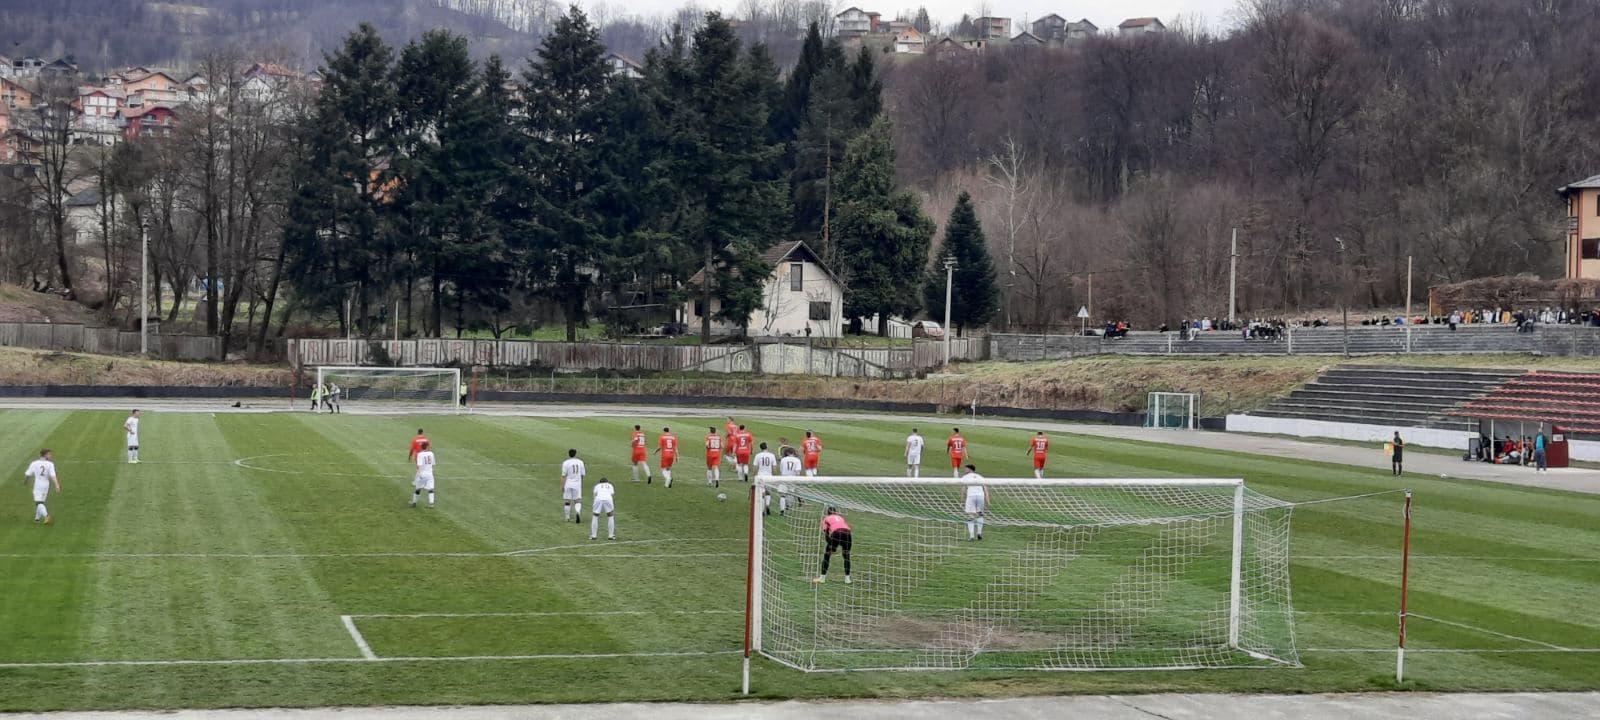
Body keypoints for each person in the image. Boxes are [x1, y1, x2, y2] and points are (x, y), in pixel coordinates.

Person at [813, 506, 852, 584]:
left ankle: (822, 578)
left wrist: (830, 545)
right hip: (847, 533)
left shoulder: (826, 519)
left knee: (827, 555)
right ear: (836, 512)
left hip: (837, 533)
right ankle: (847, 579)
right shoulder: (840, 517)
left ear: (827, 513)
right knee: (846, 555)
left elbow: (826, 533)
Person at [25, 448, 60, 524]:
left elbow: (28, 474)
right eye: (49, 454)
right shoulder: (50, 464)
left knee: (38, 502)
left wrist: (26, 481)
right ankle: (37, 519)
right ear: (45, 455)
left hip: (38, 484)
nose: (51, 455)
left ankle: (46, 516)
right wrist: (57, 485)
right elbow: (53, 476)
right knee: (41, 502)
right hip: (46, 485)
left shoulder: (34, 463)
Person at [962, 464, 987, 541]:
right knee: (980, 514)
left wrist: (962, 499)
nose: (964, 470)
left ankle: (972, 536)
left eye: (966, 469)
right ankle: (979, 533)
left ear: (970, 470)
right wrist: (987, 499)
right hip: (981, 496)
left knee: (970, 515)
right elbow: (985, 487)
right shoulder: (980, 476)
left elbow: (963, 488)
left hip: (971, 496)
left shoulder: (965, 477)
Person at [560, 448, 586, 522]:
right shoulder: (580, 462)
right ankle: (577, 512)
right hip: (577, 484)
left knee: (567, 501)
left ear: (569, 454)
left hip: (568, 484)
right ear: (575, 454)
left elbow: (563, 475)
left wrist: (562, 485)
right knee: (577, 500)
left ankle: (567, 517)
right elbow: (582, 474)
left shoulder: (566, 462)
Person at [753, 442, 778, 515]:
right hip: (769, 476)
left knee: (762, 494)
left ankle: (763, 510)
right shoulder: (772, 455)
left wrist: (754, 475)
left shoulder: (758, 455)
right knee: (768, 493)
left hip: (760, 476)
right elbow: (774, 467)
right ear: (767, 447)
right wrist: (774, 475)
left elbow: (755, 467)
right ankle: (767, 505)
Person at [411, 440, 436, 508]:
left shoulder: (420, 454)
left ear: (422, 447)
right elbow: (433, 464)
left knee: (418, 489)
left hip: (422, 474)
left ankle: (414, 503)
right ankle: (431, 503)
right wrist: (433, 472)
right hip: (430, 474)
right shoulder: (431, 453)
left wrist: (418, 475)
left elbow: (419, 466)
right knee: (431, 489)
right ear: (427, 447)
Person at [778, 445, 803, 514]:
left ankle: (782, 510)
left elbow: (781, 470)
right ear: (793, 453)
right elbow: (797, 472)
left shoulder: (783, 460)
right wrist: (797, 481)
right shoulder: (797, 460)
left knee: (782, 495)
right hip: (793, 478)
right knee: (790, 493)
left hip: (784, 478)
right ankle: (788, 506)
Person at [590, 477, 616, 541]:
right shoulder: (610, 485)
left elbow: (595, 494)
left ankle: (594, 536)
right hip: (608, 499)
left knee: (595, 516)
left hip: (598, 499)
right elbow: (612, 493)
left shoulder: (597, 486)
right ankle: (610, 535)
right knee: (610, 516)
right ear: (607, 482)